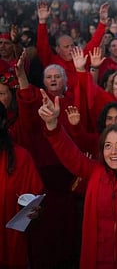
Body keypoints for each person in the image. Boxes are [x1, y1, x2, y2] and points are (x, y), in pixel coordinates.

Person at [38, 85, 117, 269]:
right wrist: (52, 124)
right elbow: (70, 154)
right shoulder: (94, 172)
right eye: (108, 146)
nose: (113, 152)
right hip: (100, 259)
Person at [0, 102, 43, 269]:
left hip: (12, 249)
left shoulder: (21, 157)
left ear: (3, 122)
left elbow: (34, 201)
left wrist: (35, 212)